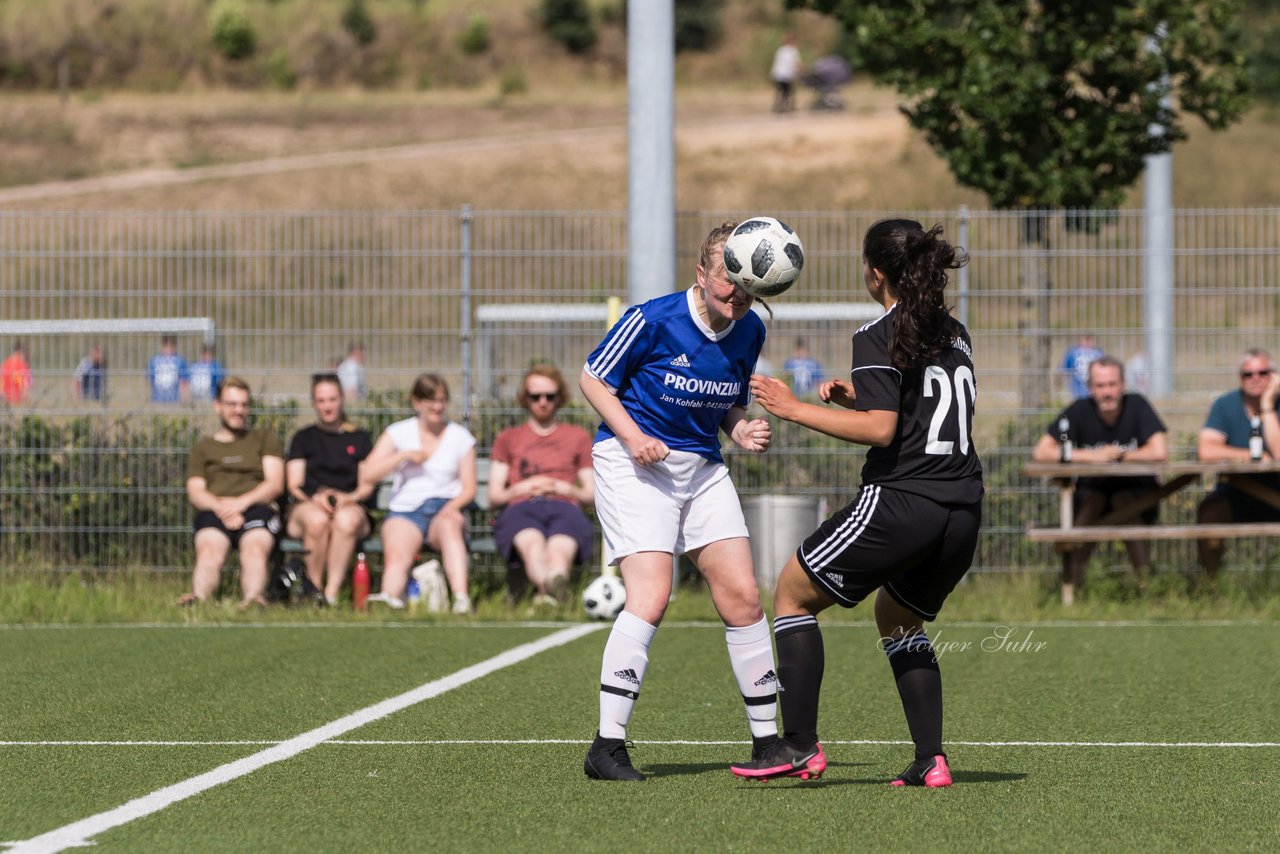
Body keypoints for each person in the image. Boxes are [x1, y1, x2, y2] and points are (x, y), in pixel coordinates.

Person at [730, 219, 982, 788]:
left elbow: (882, 431)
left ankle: (795, 746)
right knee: (897, 618)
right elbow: (923, 402)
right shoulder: (955, 331)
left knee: (792, 593)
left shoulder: (878, 332)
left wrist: (792, 409)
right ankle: (931, 760)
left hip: (903, 502)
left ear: (875, 274)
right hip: (962, 511)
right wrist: (858, 393)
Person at [579, 222, 778, 782]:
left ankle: (768, 743)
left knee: (742, 596)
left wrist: (739, 432)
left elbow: (728, 403)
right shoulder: (652, 318)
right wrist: (632, 436)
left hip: (701, 468)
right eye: (726, 280)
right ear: (701, 273)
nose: (736, 294)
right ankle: (607, 748)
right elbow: (593, 380)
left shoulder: (749, 329)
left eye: (746, 284)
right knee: (652, 594)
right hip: (634, 463)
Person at [1032, 356, 1168, 605]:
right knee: (1092, 502)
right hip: (1090, 496)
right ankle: (1073, 588)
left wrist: (1122, 455)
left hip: (1136, 494)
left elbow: (1159, 451)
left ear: (1123, 384)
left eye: (1112, 385)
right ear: (1090, 387)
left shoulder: (1137, 405)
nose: (1107, 392)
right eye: (1100, 385)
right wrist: (1092, 456)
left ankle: (1148, 588)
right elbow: (1042, 452)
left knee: (1124, 502)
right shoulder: (1078, 410)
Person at [360, 373, 476, 614]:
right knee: (397, 551)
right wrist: (403, 456)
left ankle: (461, 600)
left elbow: (469, 488)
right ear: (416, 402)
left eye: (442, 400)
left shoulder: (460, 437)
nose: (437, 406)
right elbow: (367, 474)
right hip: (405, 511)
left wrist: (450, 509)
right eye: (430, 400)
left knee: (450, 527)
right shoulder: (398, 433)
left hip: (444, 508)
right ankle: (389, 598)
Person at [487, 364, 595, 607]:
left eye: (550, 396)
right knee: (532, 544)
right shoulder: (508, 438)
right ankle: (552, 589)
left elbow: (591, 494)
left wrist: (563, 488)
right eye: (535, 396)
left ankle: (546, 595)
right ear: (525, 399)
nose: (543, 402)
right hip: (521, 507)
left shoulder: (577, 437)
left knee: (559, 550)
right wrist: (525, 487)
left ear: (560, 398)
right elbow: (494, 496)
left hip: (564, 506)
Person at [183, 377, 285, 608]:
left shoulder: (263, 439)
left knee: (254, 549)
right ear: (217, 405)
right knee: (209, 550)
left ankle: (253, 600)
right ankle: (200, 599)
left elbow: (275, 483)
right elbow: (196, 492)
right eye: (232, 404)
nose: (239, 410)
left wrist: (240, 504)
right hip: (216, 510)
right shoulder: (202, 449)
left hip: (258, 508)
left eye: (244, 405)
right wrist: (223, 508)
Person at [285, 373, 375, 606]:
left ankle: (332, 593)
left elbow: (366, 484)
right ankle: (313, 591)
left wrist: (349, 498)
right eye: (322, 400)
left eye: (332, 399)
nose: (327, 406)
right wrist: (315, 498)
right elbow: (294, 485)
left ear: (342, 399)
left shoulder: (360, 438)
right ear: (314, 403)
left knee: (346, 520)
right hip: (309, 506)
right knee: (317, 520)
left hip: (352, 507)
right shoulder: (303, 439)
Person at [1196, 348, 1280, 577]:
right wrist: (1251, 456)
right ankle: (1212, 586)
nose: (1255, 379)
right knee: (1209, 512)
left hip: (1277, 489)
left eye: (1263, 373)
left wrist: (1267, 407)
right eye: (1248, 374)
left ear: (1273, 376)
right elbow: (1206, 449)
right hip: (1236, 491)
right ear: (1239, 378)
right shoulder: (1225, 405)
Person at [149, 335, 188, 404]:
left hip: (175, 400)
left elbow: (184, 382)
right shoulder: (154, 361)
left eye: (171, 346)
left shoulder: (180, 361)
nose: (168, 349)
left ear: (175, 347)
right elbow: (150, 381)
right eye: (166, 346)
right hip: (157, 399)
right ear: (162, 347)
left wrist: (184, 399)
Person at [1061, 334, 1102, 400]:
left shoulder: (1097, 353)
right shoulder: (1072, 352)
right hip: (1077, 385)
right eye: (1085, 340)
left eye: (1089, 340)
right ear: (1080, 341)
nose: (1087, 343)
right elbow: (1066, 367)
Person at [770, 33, 802, 113]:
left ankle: (778, 106)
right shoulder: (793, 51)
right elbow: (796, 63)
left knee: (780, 92)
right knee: (788, 92)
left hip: (778, 73)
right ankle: (788, 107)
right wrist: (800, 71)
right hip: (787, 75)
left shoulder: (780, 50)